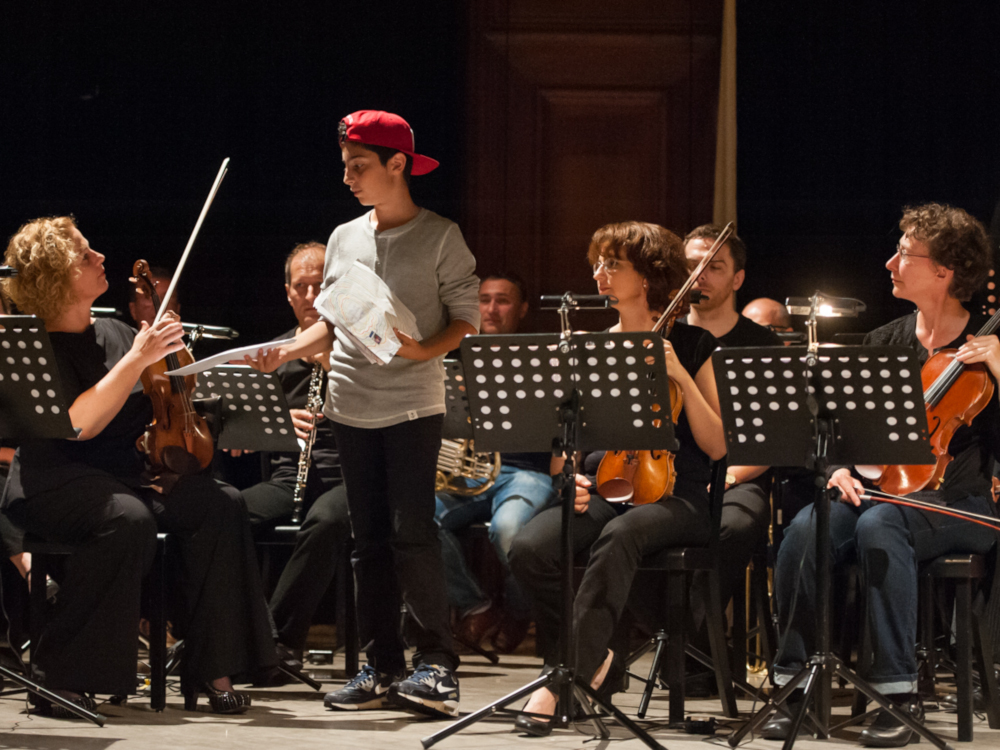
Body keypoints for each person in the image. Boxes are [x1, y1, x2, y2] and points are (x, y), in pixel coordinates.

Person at [245, 110, 480, 719]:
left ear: (396, 164)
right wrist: (287, 351)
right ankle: (379, 665)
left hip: (411, 406)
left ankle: (437, 664)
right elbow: (333, 316)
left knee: (413, 534)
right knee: (367, 541)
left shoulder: (441, 235)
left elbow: (466, 318)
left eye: (359, 166)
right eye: (346, 166)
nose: (348, 177)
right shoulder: (346, 236)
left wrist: (424, 350)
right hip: (350, 404)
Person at [0, 216, 275, 717]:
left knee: (219, 504)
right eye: (85, 255)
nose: (101, 258)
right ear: (57, 275)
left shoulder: (115, 330)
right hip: (56, 478)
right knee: (128, 519)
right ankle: (59, 676)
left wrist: (179, 367)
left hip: (124, 474)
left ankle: (213, 669)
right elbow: (77, 424)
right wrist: (136, 359)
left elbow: (167, 393)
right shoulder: (38, 348)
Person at [763, 203, 1000, 747]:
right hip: (881, 493)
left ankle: (896, 694)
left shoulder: (988, 348)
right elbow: (844, 433)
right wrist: (842, 468)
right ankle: (794, 684)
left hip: (959, 503)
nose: (890, 261)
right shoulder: (884, 343)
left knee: (881, 525)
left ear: (943, 271)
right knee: (807, 526)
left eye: (905, 253)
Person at [508, 221, 727, 735]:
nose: (599, 274)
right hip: (607, 486)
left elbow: (717, 445)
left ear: (649, 277)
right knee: (531, 547)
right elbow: (567, 449)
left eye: (613, 265)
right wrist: (571, 484)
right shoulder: (592, 346)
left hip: (680, 496)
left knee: (622, 535)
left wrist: (679, 378)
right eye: (598, 263)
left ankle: (565, 679)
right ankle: (600, 653)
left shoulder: (694, 345)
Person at [240, 241, 350, 677]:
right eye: (300, 287)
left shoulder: (361, 348)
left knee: (327, 521)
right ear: (288, 293)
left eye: (319, 285)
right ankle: (240, 631)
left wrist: (328, 360)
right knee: (224, 512)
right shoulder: (274, 355)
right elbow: (237, 428)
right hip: (291, 477)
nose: (310, 296)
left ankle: (280, 643)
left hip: (349, 478)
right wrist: (272, 424)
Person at [682, 225, 782, 692]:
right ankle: (678, 644)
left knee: (734, 524)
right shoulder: (668, 336)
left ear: (738, 279)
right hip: (672, 477)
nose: (698, 276)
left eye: (713, 267)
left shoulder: (762, 346)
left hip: (739, 477)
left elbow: (770, 441)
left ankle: (697, 651)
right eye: (690, 267)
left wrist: (728, 478)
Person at [437, 272, 556, 654]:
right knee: (410, 521)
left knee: (511, 531)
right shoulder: (450, 360)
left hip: (525, 472)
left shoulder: (544, 361)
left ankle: (521, 611)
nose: (490, 309)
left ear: (522, 309)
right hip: (465, 473)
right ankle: (477, 606)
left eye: (502, 300)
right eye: (483, 299)